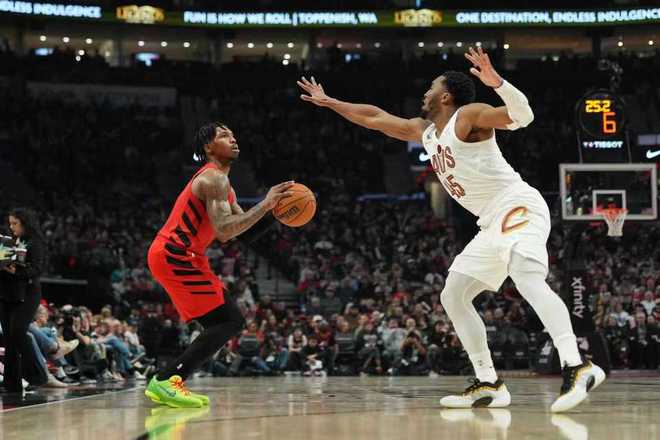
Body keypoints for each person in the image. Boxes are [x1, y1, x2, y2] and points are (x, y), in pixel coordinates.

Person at [297, 47, 604, 413]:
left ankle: (577, 365)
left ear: (445, 96)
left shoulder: (468, 116)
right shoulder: (426, 132)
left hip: (516, 204)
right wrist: (331, 102)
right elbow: (375, 118)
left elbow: (523, 116)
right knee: (454, 295)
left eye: (431, 87)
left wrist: (498, 84)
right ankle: (489, 383)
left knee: (526, 276)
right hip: (490, 222)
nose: (425, 93)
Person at [145, 122, 294, 408]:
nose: (233, 139)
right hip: (176, 253)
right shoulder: (214, 179)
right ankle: (166, 381)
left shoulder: (225, 185)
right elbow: (225, 230)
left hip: (185, 255)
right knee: (229, 320)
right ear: (208, 147)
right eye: (225, 135)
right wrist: (265, 204)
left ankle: (169, 381)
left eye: (234, 135)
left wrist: (276, 213)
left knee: (222, 322)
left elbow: (244, 233)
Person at [0, 208, 48, 393]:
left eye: (15, 223)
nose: (11, 227)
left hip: (27, 293)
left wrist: (16, 271)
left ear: (25, 223)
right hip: (6, 293)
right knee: (9, 339)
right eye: (10, 223)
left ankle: (38, 374)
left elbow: (36, 270)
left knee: (18, 332)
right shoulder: (8, 242)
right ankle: (11, 383)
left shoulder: (35, 243)